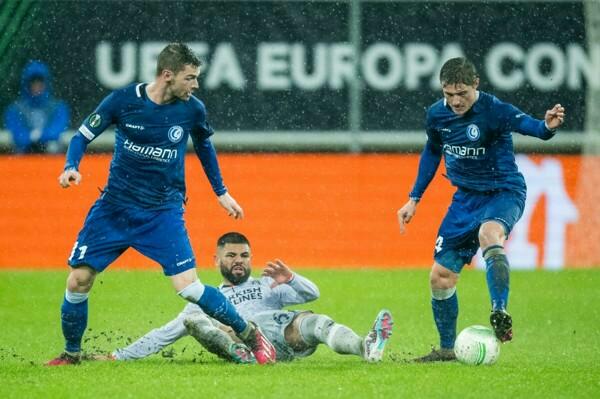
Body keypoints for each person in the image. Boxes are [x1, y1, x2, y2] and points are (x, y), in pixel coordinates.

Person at [46, 43, 276, 366]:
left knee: (190, 288)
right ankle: (71, 354)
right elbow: (81, 136)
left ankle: (251, 334)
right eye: (190, 78)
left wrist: (221, 192)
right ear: (168, 75)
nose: (195, 85)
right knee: (78, 279)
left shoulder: (192, 109)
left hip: (162, 213)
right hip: (114, 208)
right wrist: (71, 166)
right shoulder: (123, 100)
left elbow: (205, 147)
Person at [397, 57, 565, 362]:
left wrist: (547, 127)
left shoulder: (494, 110)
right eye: (449, 94)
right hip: (465, 200)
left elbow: (530, 126)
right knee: (440, 277)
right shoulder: (437, 115)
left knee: (490, 233)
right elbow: (432, 152)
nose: (455, 101)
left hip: (503, 192)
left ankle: (499, 310)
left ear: (476, 85)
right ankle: (447, 349)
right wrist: (414, 198)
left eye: (461, 93)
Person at [94, 232, 394, 364]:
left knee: (314, 321)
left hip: (280, 336)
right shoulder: (205, 298)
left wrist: (290, 279)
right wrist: (118, 355)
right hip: (240, 338)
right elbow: (164, 335)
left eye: (245, 255)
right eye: (232, 255)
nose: (239, 261)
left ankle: (363, 346)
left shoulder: (266, 284)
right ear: (216, 260)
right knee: (195, 320)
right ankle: (245, 355)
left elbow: (312, 293)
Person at [3, 60, 70, 153]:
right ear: (26, 84)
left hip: (51, 157)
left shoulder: (58, 107)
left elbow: (57, 130)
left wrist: (39, 136)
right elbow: (17, 134)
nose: (36, 85)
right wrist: (31, 138)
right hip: (24, 157)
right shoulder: (15, 109)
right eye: (33, 81)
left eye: (40, 81)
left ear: (46, 83)